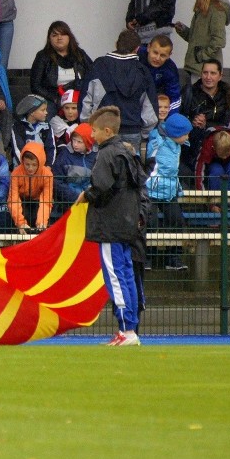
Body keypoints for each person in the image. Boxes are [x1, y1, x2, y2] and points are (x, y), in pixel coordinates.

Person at [75, 106, 146, 346]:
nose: (91, 136)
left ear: (106, 131)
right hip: (127, 225)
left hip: (110, 226)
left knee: (115, 277)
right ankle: (131, 329)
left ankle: (126, 331)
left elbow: (101, 188)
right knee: (127, 275)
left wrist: (87, 194)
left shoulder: (106, 155)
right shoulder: (127, 153)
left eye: (94, 131)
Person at [80, 29, 158, 155]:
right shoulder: (143, 71)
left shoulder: (99, 66)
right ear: (137, 49)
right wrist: (143, 133)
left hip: (103, 130)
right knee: (128, 172)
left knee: (102, 171)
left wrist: (90, 128)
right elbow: (151, 114)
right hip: (132, 131)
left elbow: (85, 102)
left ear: (116, 44)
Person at [145, 113, 192, 271]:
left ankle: (174, 258)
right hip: (152, 189)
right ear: (175, 134)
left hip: (170, 190)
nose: (187, 137)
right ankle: (146, 258)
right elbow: (149, 165)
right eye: (185, 134)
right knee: (149, 223)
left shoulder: (178, 145)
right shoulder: (158, 143)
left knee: (177, 221)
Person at [179, 59, 230, 174]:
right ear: (201, 74)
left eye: (213, 73)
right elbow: (179, 117)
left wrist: (207, 125)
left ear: (220, 76)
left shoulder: (228, 95)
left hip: (220, 147)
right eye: (205, 73)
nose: (208, 77)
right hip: (194, 149)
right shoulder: (189, 92)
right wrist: (192, 122)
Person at [174, 0, 230, 83]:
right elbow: (197, 39)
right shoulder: (202, 9)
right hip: (198, 68)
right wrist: (183, 30)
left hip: (206, 71)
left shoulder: (216, 10)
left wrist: (201, 56)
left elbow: (219, 40)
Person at [29, 21, 93, 114]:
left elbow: (92, 75)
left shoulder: (80, 54)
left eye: (63, 34)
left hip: (79, 96)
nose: (59, 38)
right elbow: (35, 85)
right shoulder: (42, 56)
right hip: (53, 99)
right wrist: (55, 98)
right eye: (54, 35)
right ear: (49, 39)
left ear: (69, 37)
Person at [8, 142, 53, 234]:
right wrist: (20, 223)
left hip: (38, 202)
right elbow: (14, 200)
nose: (30, 168)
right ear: (22, 162)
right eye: (27, 164)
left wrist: (42, 222)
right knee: (13, 219)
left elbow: (46, 200)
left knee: (43, 224)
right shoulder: (16, 174)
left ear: (40, 163)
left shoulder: (47, 174)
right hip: (22, 201)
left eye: (34, 165)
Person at [51, 122, 96, 208]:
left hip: (90, 201)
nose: (75, 144)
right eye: (73, 140)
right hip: (70, 202)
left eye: (79, 142)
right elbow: (57, 181)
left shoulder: (96, 155)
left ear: (88, 142)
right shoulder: (64, 156)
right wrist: (75, 197)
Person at [195, 127, 230, 194]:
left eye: (227, 154)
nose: (224, 157)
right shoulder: (207, 147)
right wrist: (206, 199)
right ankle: (215, 199)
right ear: (213, 148)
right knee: (216, 170)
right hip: (214, 163)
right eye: (221, 154)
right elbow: (199, 171)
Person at [137, 35, 182, 116]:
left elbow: (174, 97)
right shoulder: (136, 54)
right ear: (148, 48)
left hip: (155, 99)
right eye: (155, 52)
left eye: (163, 55)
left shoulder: (170, 69)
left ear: (169, 55)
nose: (157, 58)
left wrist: (171, 120)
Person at [10, 94, 56, 168]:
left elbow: (51, 148)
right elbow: (18, 150)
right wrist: (26, 167)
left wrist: (48, 166)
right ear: (32, 112)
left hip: (42, 170)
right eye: (42, 110)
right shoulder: (17, 127)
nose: (46, 112)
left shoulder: (47, 127)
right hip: (23, 169)